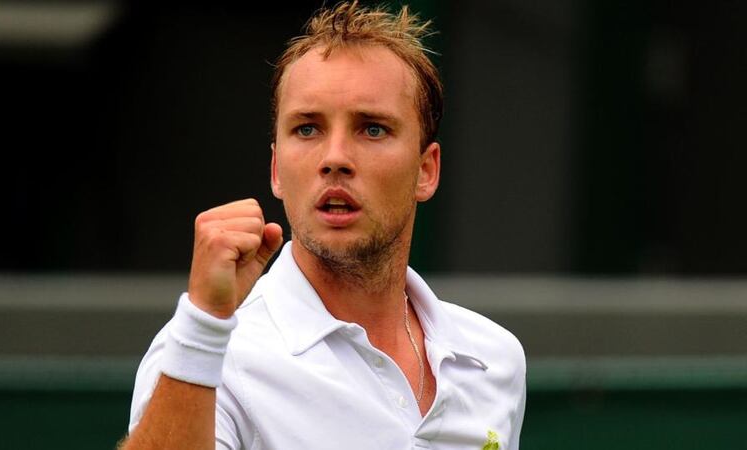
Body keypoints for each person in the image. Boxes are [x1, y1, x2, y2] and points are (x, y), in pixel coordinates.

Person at [120, 2, 526, 449]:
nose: (334, 158)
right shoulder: (208, 353)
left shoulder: (494, 358)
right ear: (276, 169)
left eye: (372, 129)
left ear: (426, 171)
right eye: (308, 129)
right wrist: (203, 327)